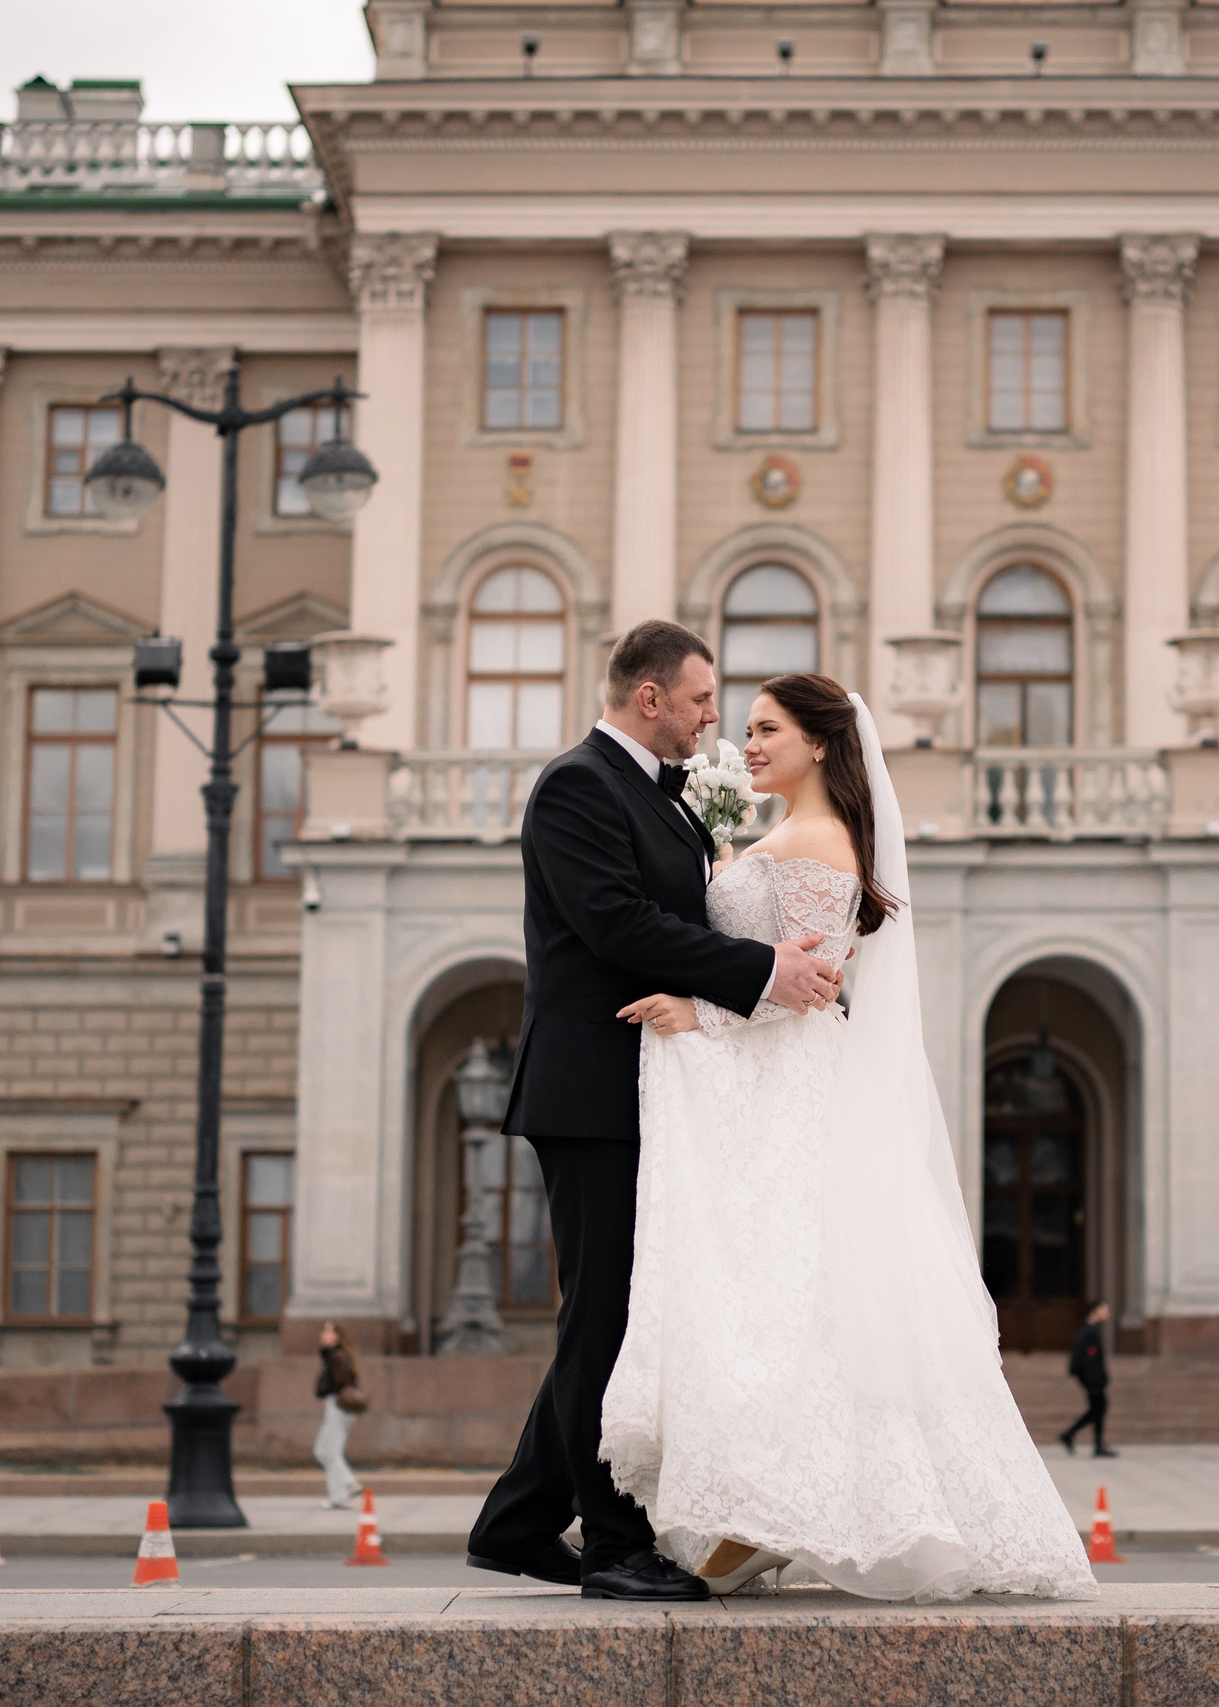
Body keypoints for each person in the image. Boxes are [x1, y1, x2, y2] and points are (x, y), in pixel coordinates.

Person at [604, 673, 1098, 1602]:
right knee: (775, 1301)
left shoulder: (820, 840)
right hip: (764, 1088)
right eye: (747, 729)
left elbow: (812, 983)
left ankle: (770, 1515)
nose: (748, 743)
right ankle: (760, 1509)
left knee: (791, 1299)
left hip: (788, 1087)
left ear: (822, 742)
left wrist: (699, 1013)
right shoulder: (792, 831)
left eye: (767, 729)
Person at [465, 621, 844, 1602]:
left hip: (647, 1087)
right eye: (701, 699)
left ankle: (517, 1520)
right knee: (607, 1315)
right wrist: (762, 970)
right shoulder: (577, 785)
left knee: (606, 1312)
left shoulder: (662, 797)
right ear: (649, 698)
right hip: (592, 1090)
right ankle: (613, 1545)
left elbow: (673, 917)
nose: (713, 718)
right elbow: (618, 925)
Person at [312, 1321, 363, 1508]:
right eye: (323, 1331)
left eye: (328, 1331)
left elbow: (342, 1382)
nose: (323, 1335)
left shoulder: (337, 1356)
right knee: (324, 1452)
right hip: (337, 1406)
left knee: (328, 1452)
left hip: (338, 1406)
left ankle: (349, 1482)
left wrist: (324, 1389)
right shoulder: (334, 1355)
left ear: (338, 1336)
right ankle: (338, 1496)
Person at [1061, 1301, 1116, 1459]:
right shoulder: (1088, 1332)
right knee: (1098, 1409)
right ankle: (1071, 1435)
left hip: (1094, 1380)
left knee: (1098, 1410)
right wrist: (1093, 1383)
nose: (1107, 1313)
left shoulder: (1089, 1331)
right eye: (1105, 1309)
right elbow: (1088, 1361)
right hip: (1093, 1381)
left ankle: (1094, 1443)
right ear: (1095, 1311)